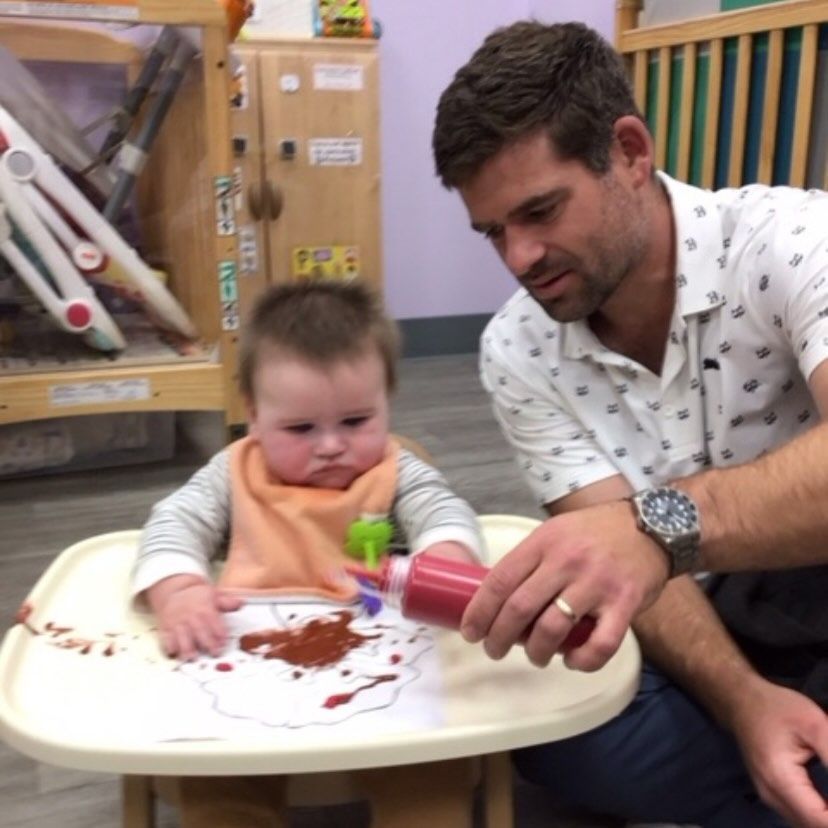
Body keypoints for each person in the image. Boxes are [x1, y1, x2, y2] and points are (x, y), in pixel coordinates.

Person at [432, 19, 828, 828]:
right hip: (689, 630)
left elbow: (634, 543)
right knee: (535, 718)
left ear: (630, 151)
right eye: (493, 231)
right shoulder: (515, 346)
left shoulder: (790, 241)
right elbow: (619, 577)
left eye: (541, 210)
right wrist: (745, 702)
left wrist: (658, 528)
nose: (518, 257)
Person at [131, 279, 484, 827]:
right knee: (213, 778)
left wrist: (448, 557)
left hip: (384, 665)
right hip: (249, 665)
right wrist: (179, 590)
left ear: (386, 400)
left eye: (355, 421)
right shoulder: (233, 474)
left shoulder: (395, 473)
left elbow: (444, 511)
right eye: (300, 428)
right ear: (254, 413)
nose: (330, 446)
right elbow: (174, 521)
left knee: (432, 772)